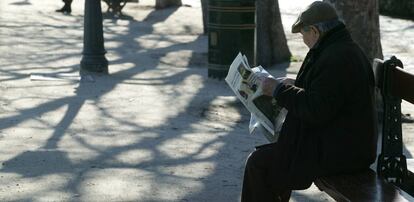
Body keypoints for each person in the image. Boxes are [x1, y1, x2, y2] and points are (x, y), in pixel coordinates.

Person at [241, 1, 377, 201]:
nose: (304, 40)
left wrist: (279, 89)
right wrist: (293, 84)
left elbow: (316, 108)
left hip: (342, 152)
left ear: (314, 31)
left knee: (259, 164)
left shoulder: (337, 58)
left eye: (304, 34)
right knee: (275, 159)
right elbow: (327, 93)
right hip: (340, 143)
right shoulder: (337, 49)